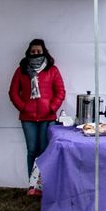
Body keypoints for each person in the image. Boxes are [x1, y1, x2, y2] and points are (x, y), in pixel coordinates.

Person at [9, 38, 65, 197]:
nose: (36, 54)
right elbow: (13, 92)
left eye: (38, 51)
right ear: (28, 52)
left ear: (44, 52)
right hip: (28, 119)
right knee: (32, 151)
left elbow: (60, 91)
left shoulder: (52, 70)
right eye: (33, 52)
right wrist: (24, 107)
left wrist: (52, 107)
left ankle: (45, 185)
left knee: (45, 151)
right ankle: (32, 185)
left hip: (48, 117)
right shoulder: (21, 71)